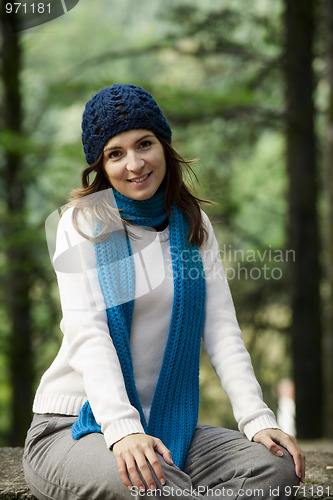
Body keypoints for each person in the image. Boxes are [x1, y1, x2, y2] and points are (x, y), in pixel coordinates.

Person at [23, 83, 305, 500]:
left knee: (275, 466)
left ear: (164, 145)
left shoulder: (193, 225)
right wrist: (122, 429)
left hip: (168, 427)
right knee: (155, 487)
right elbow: (89, 332)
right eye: (115, 154)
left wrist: (257, 419)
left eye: (144, 144)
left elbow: (223, 331)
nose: (134, 164)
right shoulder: (81, 224)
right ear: (101, 165)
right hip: (74, 427)